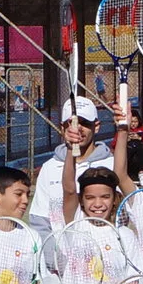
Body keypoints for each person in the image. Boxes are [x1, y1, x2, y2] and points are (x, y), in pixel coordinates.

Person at [31, 96, 118, 231]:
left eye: (84, 123)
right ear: (62, 128)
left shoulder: (112, 164)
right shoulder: (49, 168)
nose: (78, 128)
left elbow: (121, 213)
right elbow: (40, 221)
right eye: (71, 123)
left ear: (96, 127)